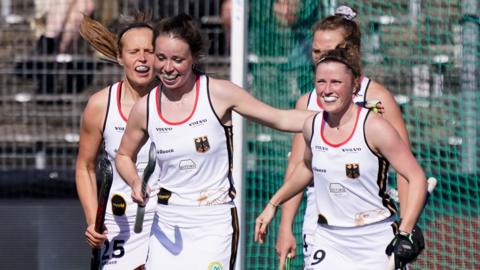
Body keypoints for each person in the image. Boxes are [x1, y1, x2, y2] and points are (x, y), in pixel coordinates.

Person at [114, 14, 313, 270]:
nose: (167, 67)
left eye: (177, 59)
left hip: (214, 221)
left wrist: (340, 118)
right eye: (161, 58)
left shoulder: (218, 93)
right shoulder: (146, 108)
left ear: (194, 58)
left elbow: (280, 118)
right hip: (167, 221)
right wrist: (134, 181)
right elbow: (123, 155)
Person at [255, 45, 428, 269]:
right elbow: (307, 168)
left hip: (375, 239)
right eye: (321, 82)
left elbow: (416, 177)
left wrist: (405, 233)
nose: (327, 90)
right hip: (329, 239)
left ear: (354, 85)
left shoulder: (374, 127)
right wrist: (273, 203)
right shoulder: (312, 126)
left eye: (336, 82)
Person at [275, 6, 412, 268]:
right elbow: (297, 167)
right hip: (322, 222)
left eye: (330, 52)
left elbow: (405, 171)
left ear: (352, 53)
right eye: (316, 52)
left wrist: (406, 228)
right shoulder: (307, 102)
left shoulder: (378, 99)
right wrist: (285, 225)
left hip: (372, 224)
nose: (320, 59)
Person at [75, 13, 158, 270]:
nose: (142, 58)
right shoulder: (101, 105)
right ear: (120, 57)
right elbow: (85, 167)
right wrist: (93, 222)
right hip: (119, 224)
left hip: (166, 219)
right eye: (134, 51)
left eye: (150, 51)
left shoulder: (176, 102)